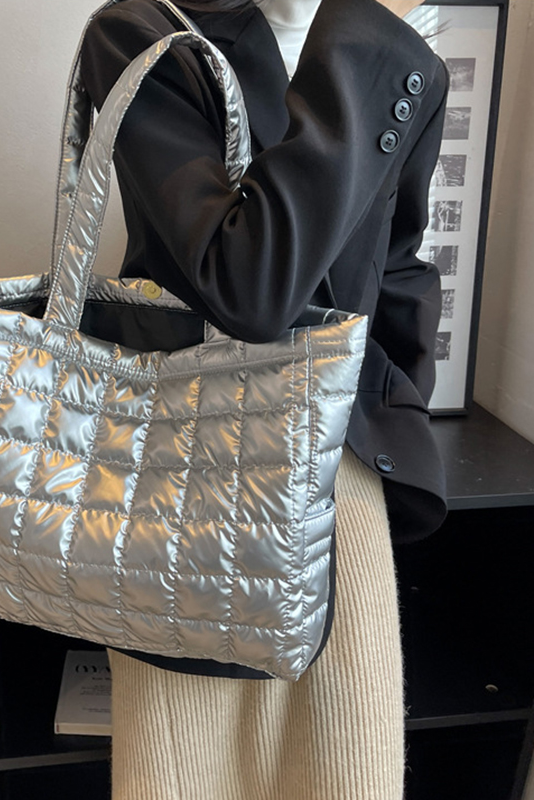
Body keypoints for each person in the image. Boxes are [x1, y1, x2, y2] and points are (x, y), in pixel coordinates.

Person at [80, 0, 449, 797]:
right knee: (186, 771)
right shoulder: (145, 33)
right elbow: (249, 287)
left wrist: (396, 411)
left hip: (340, 472)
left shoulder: (401, 52)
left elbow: (398, 264)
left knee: (347, 766)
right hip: (184, 480)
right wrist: (362, 34)